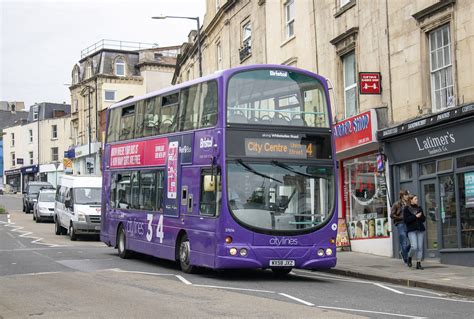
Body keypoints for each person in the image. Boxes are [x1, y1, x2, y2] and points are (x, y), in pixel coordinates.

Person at [403, 194, 426, 269]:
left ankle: (418, 264)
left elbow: (423, 219)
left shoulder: (419, 208)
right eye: (415, 199)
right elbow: (406, 220)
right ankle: (409, 257)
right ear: (411, 200)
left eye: (417, 199)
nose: (417, 200)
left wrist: (421, 216)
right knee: (414, 246)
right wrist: (415, 216)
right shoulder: (406, 209)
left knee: (420, 247)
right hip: (411, 230)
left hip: (420, 229)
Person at [390, 189, 410, 263]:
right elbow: (392, 215)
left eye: (408, 194)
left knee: (413, 242)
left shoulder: (409, 203)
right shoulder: (396, 204)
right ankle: (406, 259)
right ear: (402, 196)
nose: (407, 196)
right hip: (401, 224)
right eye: (406, 195)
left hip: (409, 223)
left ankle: (403, 252)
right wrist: (401, 217)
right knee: (404, 242)